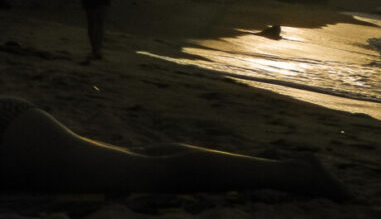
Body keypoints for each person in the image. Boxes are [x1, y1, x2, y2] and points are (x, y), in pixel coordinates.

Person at [0, 98, 349, 200]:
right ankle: (282, 169)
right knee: (140, 158)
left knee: (147, 173)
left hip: (11, 137)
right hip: (14, 128)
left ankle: (294, 174)